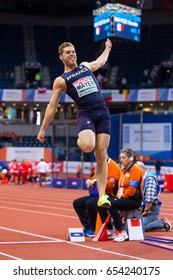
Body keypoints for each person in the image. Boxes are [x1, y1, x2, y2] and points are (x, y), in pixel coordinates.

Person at [37, 38, 112, 208]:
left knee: (102, 154)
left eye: (73, 51)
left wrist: (107, 48)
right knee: (87, 145)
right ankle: (81, 139)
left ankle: (102, 196)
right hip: (86, 113)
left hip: (103, 113)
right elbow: (51, 106)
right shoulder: (61, 80)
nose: (72, 54)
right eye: (68, 52)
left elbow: (100, 62)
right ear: (61, 57)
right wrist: (42, 129)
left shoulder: (85, 66)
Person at [99, 148, 143, 242]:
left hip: (134, 200)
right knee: (102, 204)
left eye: (123, 158)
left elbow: (131, 190)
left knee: (113, 204)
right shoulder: (123, 171)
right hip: (123, 198)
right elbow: (120, 189)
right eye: (120, 158)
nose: (121, 160)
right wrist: (117, 198)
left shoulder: (136, 170)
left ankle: (121, 231)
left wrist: (119, 199)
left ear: (130, 158)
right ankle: (111, 230)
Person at [73, 156, 122, 237]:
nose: (96, 157)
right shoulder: (100, 164)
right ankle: (88, 226)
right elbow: (94, 178)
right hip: (100, 194)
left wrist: (95, 181)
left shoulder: (113, 166)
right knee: (77, 203)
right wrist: (89, 181)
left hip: (110, 195)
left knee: (90, 203)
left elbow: (111, 184)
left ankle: (94, 228)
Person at [136, 161, 172, 232]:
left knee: (140, 227)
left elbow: (149, 199)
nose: (136, 171)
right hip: (140, 208)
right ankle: (151, 222)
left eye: (138, 169)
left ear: (143, 169)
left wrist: (146, 210)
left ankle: (162, 223)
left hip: (151, 209)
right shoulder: (137, 179)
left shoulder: (149, 179)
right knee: (131, 226)